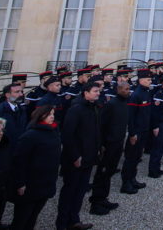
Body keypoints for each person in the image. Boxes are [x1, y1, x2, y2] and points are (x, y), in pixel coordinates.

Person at [56, 82, 101, 230]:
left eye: (98, 91)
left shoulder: (92, 107)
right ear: (85, 93)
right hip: (76, 158)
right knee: (70, 191)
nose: (98, 93)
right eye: (95, 91)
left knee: (80, 190)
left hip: (88, 156)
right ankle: (62, 224)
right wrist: (75, 156)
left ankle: (74, 220)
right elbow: (68, 135)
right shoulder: (76, 109)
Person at [11, 106, 61, 230]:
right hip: (32, 182)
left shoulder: (53, 131)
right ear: (40, 116)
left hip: (46, 180)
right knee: (22, 217)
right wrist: (20, 182)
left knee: (33, 215)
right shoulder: (30, 135)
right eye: (49, 114)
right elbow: (19, 160)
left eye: (53, 114)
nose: (52, 117)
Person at [90, 81, 129, 212]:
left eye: (128, 89)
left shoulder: (124, 103)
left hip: (118, 142)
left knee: (110, 171)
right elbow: (102, 125)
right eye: (125, 89)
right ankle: (95, 202)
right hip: (109, 144)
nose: (128, 91)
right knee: (102, 172)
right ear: (118, 89)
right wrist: (101, 145)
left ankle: (103, 198)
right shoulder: (111, 105)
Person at [121, 69, 152, 194]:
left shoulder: (146, 92)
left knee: (137, 157)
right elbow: (131, 116)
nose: (151, 81)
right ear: (141, 80)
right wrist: (132, 133)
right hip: (137, 131)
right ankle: (126, 183)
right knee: (131, 157)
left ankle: (132, 179)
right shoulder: (136, 95)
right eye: (148, 80)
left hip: (144, 130)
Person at [0, 82, 28, 148]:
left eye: (21, 92)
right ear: (8, 95)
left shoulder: (22, 109)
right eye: (17, 92)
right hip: (5, 147)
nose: (21, 94)